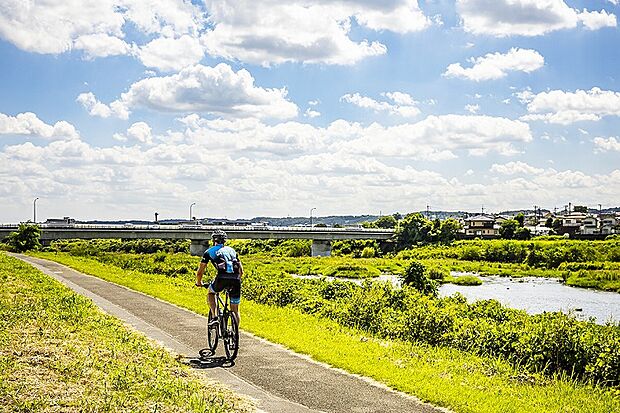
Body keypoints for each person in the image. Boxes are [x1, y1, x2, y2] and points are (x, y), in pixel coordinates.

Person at [195, 229, 243, 325]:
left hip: (221, 278)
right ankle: (235, 334)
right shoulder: (232, 251)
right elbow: (241, 271)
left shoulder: (209, 252)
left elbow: (200, 272)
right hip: (236, 279)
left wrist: (199, 282)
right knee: (235, 310)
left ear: (213, 240)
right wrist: (235, 280)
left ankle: (215, 317)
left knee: (211, 293)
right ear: (225, 241)